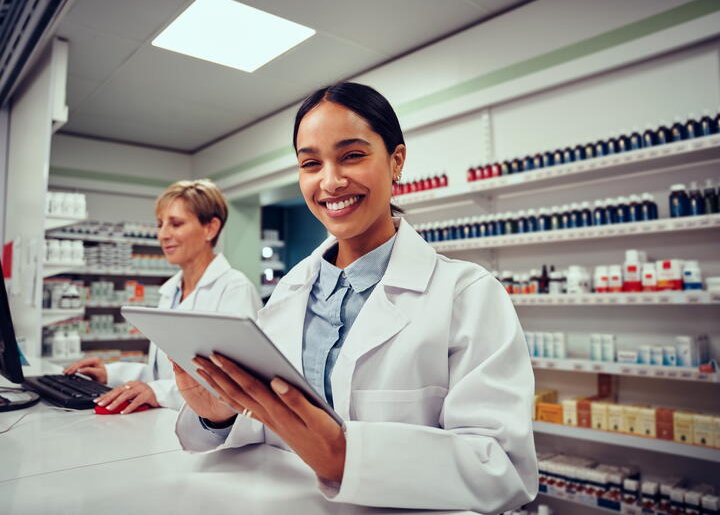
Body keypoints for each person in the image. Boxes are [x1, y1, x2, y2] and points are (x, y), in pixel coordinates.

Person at [172, 83, 538, 512]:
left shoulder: (468, 294)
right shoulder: (288, 294)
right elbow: (265, 436)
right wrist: (218, 414)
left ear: (396, 161)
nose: (330, 181)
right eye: (311, 163)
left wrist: (347, 457)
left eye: (352, 155)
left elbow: (503, 469)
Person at [64, 179, 262, 414]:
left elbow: (235, 383)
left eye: (176, 224)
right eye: (160, 224)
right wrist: (111, 373)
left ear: (210, 228)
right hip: (164, 421)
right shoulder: (171, 292)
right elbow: (162, 374)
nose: (163, 235)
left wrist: (158, 393)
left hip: (212, 430)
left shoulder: (234, 290)